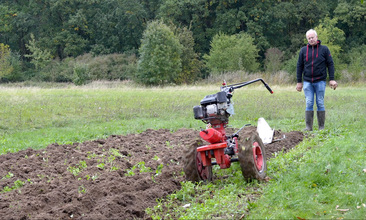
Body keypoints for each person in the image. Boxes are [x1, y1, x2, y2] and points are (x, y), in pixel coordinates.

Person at [296, 29, 338, 131]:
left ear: (316, 37)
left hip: (320, 81)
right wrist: (299, 82)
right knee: (309, 102)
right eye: (309, 38)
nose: (311, 39)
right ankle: (308, 127)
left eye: (312, 37)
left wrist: (331, 79)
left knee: (320, 102)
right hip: (307, 82)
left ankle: (321, 127)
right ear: (307, 39)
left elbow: (330, 64)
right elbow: (299, 66)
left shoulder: (324, 49)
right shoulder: (303, 50)